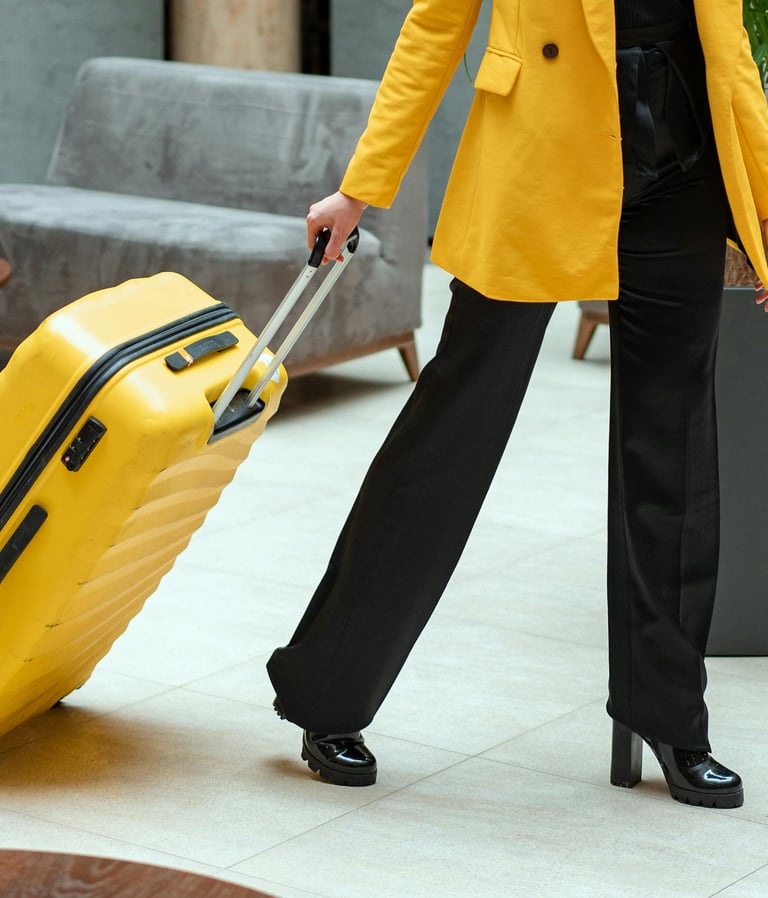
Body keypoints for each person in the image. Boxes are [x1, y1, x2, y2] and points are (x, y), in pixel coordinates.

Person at [267, 0, 768, 809]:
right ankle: (328, 694)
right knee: (452, 431)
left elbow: (727, 46)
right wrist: (360, 190)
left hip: (681, 174)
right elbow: (433, 29)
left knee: (674, 450)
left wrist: (763, 203)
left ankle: (671, 716)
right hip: (539, 165)